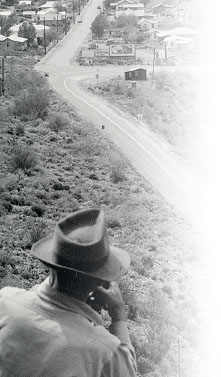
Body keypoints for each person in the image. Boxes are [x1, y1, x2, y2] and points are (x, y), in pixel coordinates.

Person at [0, 208, 137, 377]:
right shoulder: (105, 352)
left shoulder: (5, 301)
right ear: (102, 280)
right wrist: (119, 317)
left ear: (50, 264)